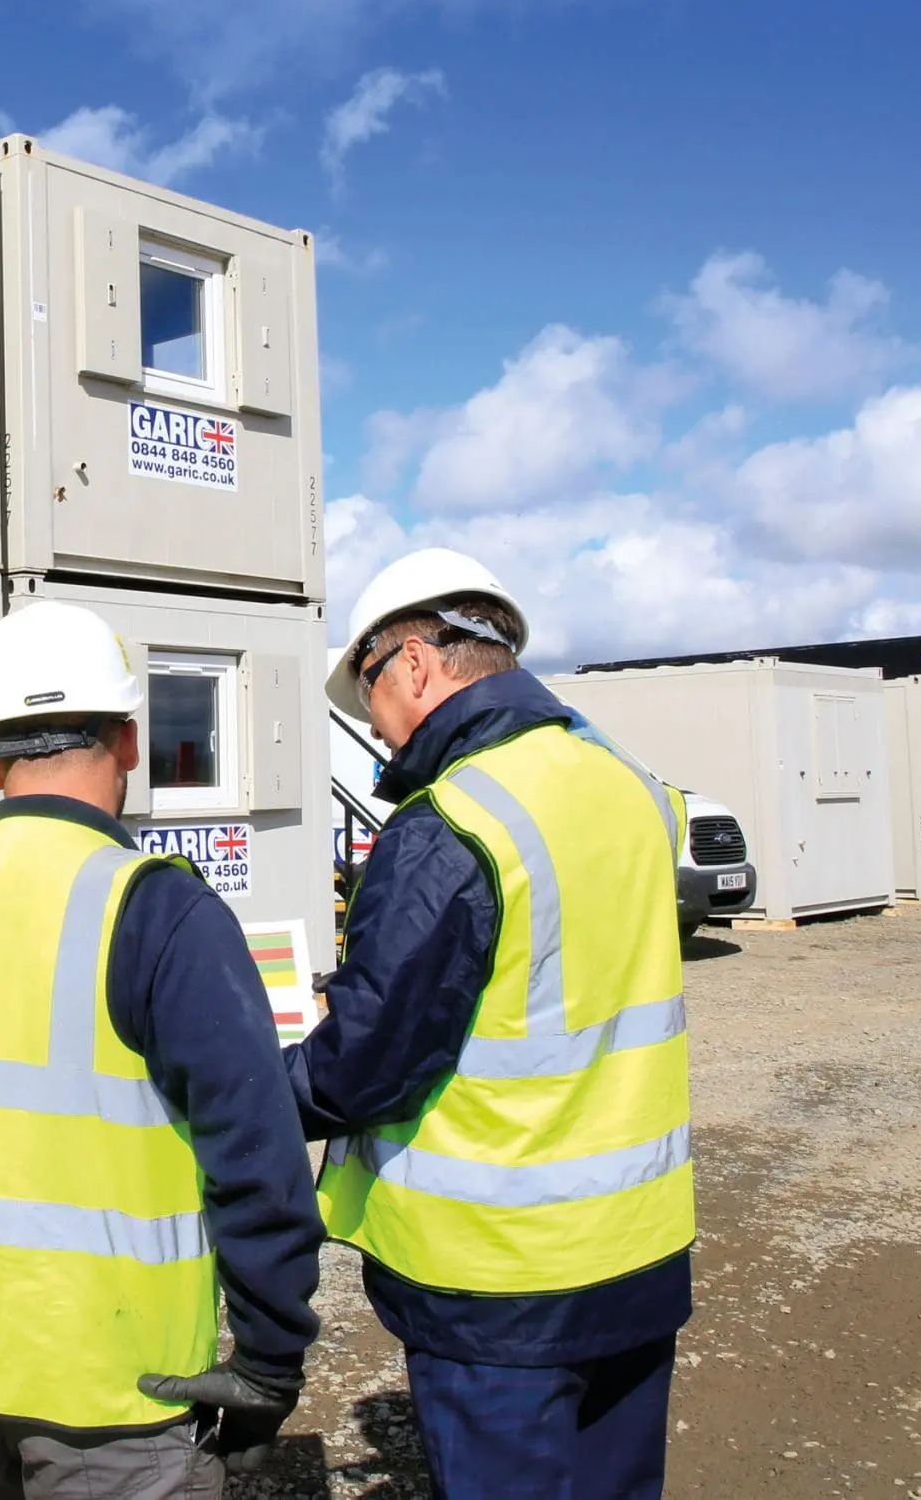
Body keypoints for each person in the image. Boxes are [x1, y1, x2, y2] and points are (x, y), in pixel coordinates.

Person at [0, 601, 326, 1500]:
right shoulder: (160, 909)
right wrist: (271, 1359)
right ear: (130, 739)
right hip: (121, 1388)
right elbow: (256, 1152)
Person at [289, 549, 694, 1500]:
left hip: (500, 1286)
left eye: (369, 693)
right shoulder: (634, 787)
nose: (377, 730)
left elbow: (364, 1065)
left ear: (417, 663)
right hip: (637, 1249)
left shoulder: (449, 822)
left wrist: (245, 1083)